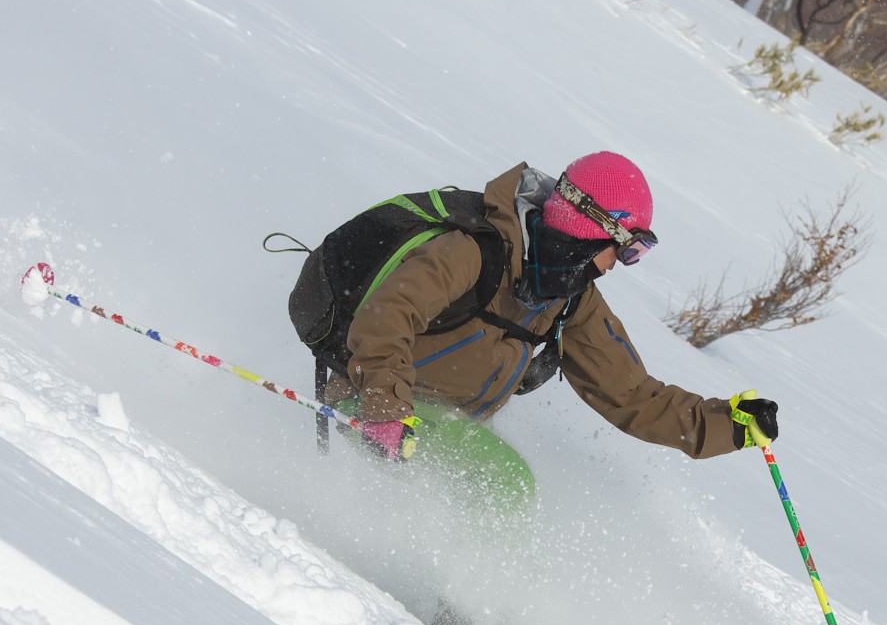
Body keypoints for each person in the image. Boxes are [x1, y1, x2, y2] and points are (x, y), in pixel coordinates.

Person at [318, 152, 780, 477]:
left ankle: (463, 604)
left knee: (491, 475)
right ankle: (463, 612)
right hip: (373, 404)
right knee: (506, 481)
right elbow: (388, 314)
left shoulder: (571, 297)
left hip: (435, 426)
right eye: (625, 249)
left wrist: (731, 427)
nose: (619, 263)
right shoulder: (474, 252)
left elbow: (631, 394)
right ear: (590, 227)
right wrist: (386, 409)